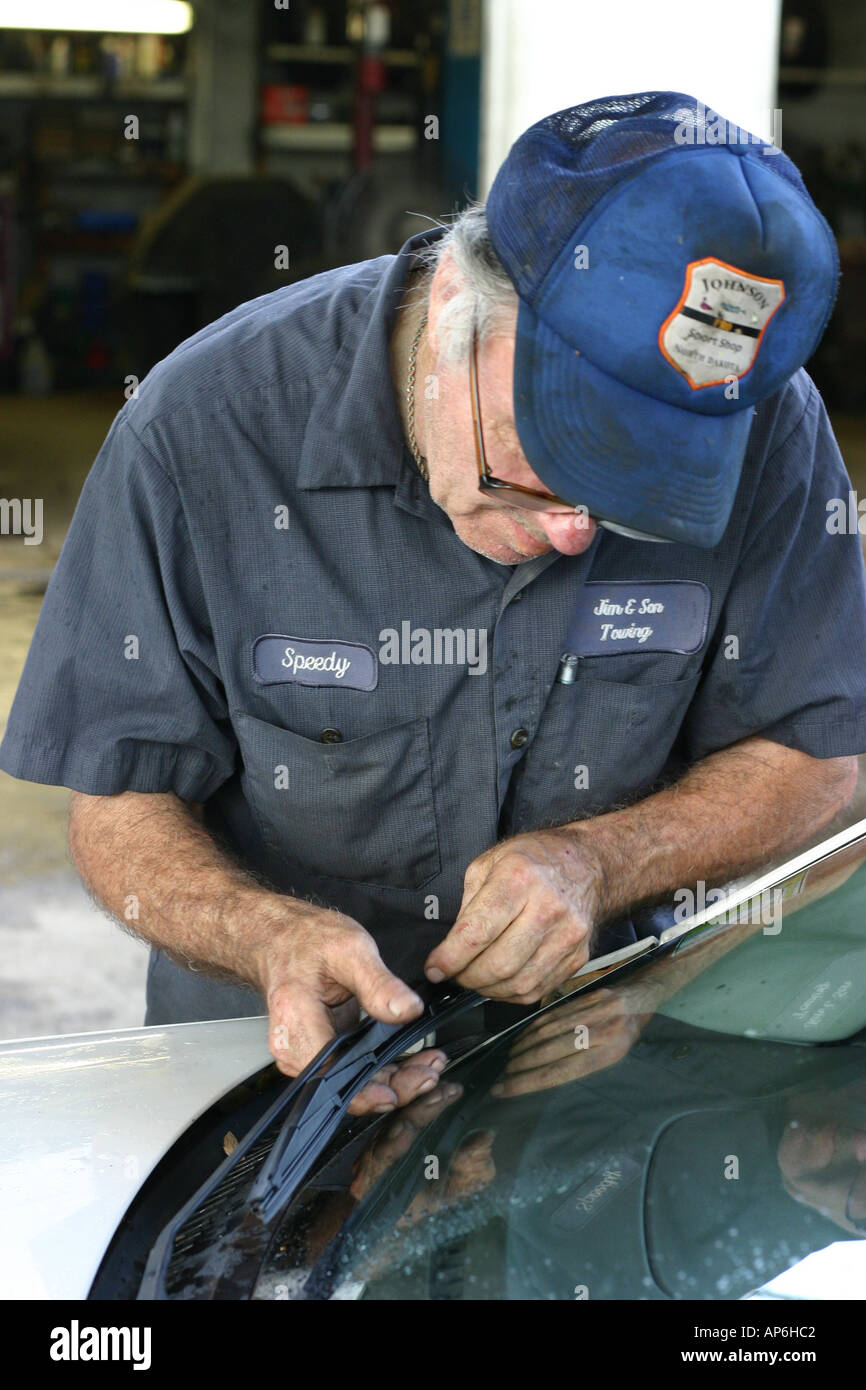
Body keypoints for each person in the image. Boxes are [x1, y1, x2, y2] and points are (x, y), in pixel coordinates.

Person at [3, 92, 865, 1116]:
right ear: (455, 298)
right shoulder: (203, 429)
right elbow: (118, 798)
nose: (574, 537)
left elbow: (819, 755)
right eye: (533, 474)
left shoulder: (764, 432)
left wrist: (600, 860)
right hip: (261, 1095)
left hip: (592, 1076)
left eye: (640, 506)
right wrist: (263, 935)